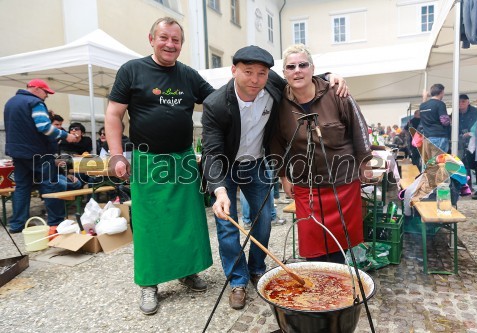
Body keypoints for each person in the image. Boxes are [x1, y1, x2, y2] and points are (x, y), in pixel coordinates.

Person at [202, 45, 349, 310]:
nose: (255, 80)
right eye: (248, 72)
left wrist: (330, 76)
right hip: (225, 165)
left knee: (263, 221)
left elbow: (301, 78)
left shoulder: (271, 84)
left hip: (258, 163)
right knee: (227, 224)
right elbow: (212, 151)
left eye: (261, 73)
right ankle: (237, 280)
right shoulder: (215, 103)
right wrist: (219, 192)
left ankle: (257, 268)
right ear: (234, 70)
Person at [104, 17, 213, 316]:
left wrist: (252, 83)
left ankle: (187, 271)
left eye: (176, 40)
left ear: (181, 44)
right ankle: (149, 283)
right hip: (148, 161)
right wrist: (116, 155)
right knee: (150, 225)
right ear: (151, 39)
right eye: (164, 38)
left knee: (188, 222)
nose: (170, 44)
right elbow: (114, 115)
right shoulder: (132, 70)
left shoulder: (189, 75)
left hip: (183, 160)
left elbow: (218, 101)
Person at [270, 44, 373, 266]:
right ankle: (320, 287)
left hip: (342, 181)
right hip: (306, 185)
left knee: (342, 242)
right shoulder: (280, 103)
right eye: (291, 67)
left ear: (312, 68)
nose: (297, 70)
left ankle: (340, 284)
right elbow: (277, 144)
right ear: (284, 73)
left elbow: (359, 127)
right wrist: (283, 175)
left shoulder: (337, 92)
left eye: (302, 65)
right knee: (313, 243)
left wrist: (364, 163)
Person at [3, 79, 78, 233]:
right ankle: (56, 223)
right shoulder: (35, 102)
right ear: (37, 89)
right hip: (37, 152)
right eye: (46, 93)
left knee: (22, 188)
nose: (46, 97)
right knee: (50, 184)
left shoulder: (10, 102)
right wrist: (65, 136)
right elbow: (43, 127)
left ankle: (17, 224)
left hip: (17, 152)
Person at [419, 84, 450, 156]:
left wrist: (424, 97)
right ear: (441, 92)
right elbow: (445, 121)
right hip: (439, 136)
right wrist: (449, 120)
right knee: (439, 163)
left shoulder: (422, 106)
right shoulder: (440, 104)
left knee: (431, 164)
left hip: (427, 138)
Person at [457, 94, 477, 188]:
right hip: (460, 140)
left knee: (472, 163)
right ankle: (464, 185)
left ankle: (474, 185)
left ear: (468, 102)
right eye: (459, 101)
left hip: (473, 140)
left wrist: (470, 133)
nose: (461, 103)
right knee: (461, 162)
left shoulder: (475, 111)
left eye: (463, 101)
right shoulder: (455, 112)